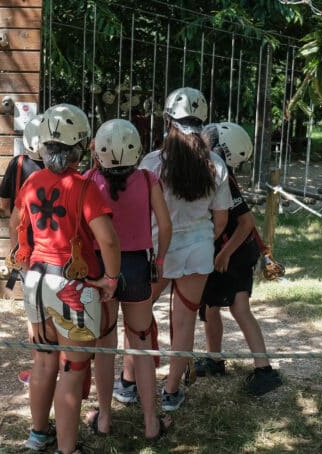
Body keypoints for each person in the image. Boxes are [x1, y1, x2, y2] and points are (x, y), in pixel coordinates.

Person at [10, 103, 121, 454]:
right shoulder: (86, 188)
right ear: (80, 146)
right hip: (72, 286)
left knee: (43, 361)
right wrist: (111, 278)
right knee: (72, 369)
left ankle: (39, 434)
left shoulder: (31, 181)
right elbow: (108, 239)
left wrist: (23, 259)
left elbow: (16, 224)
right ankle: (67, 449)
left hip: (36, 280)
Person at [119, 87, 231, 412]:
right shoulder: (216, 165)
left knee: (137, 319)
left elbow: (138, 212)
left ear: (168, 120)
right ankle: (170, 393)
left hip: (156, 251)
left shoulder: (151, 163)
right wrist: (203, 241)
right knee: (183, 325)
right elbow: (221, 219)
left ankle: (129, 383)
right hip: (198, 251)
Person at [84, 119, 173, 440]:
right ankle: (151, 422)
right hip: (137, 266)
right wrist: (160, 260)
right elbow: (165, 225)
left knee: (104, 345)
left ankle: (105, 417)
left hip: (99, 268)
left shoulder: (89, 179)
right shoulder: (148, 178)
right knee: (141, 344)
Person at [197, 122, 283, 395]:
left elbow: (246, 223)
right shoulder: (215, 175)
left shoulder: (226, 182)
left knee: (239, 308)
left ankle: (264, 370)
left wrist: (224, 253)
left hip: (235, 254)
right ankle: (215, 359)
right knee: (211, 307)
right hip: (225, 253)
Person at [0, 115, 45, 385]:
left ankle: (40, 366)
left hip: (26, 245)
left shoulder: (17, 165)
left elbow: (5, 205)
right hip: (56, 247)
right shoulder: (58, 167)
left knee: (33, 306)